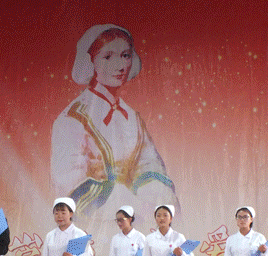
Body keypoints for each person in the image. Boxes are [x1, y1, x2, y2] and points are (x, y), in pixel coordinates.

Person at [50, 24, 178, 219]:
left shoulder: (132, 117)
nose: (120, 66)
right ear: (91, 62)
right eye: (108, 57)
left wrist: (154, 193)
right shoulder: (72, 118)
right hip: (95, 218)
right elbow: (68, 181)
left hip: (137, 217)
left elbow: (149, 163)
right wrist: (126, 203)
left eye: (125, 55)